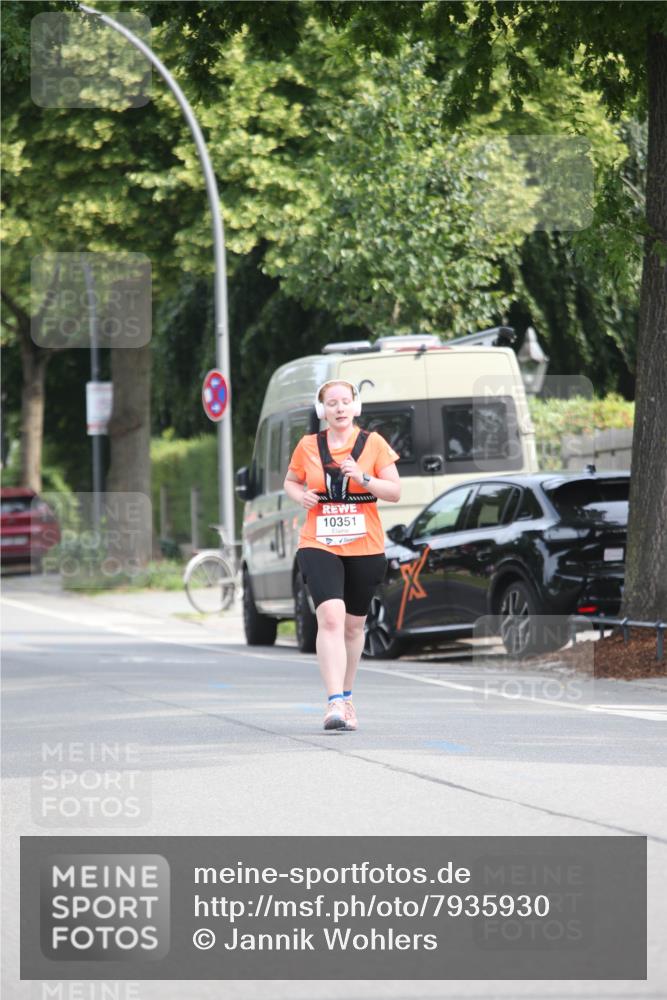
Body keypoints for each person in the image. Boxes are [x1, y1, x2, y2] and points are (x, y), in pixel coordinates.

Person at [283, 379, 401, 732]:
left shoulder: (374, 444)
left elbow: (394, 491)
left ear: (355, 406)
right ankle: (333, 702)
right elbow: (290, 482)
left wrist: (363, 477)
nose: (338, 408)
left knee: (353, 625)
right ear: (322, 410)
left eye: (344, 402)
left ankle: (347, 696)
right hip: (319, 541)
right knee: (330, 618)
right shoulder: (307, 446)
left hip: (365, 544)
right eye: (331, 403)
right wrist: (299, 496)